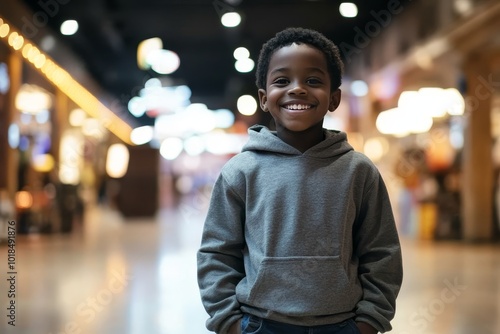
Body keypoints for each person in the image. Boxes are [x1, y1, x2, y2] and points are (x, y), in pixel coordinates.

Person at [197, 27, 403, 334]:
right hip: (260, 323)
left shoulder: (359, 171)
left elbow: (382, 251)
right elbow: (217, 252)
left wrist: (369, 321)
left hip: (342, 325)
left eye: (313, 81)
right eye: (282, 81)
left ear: (334, 98)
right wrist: (229, 322)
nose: (297, 89)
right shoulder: (240, 172)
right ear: (264, 99)